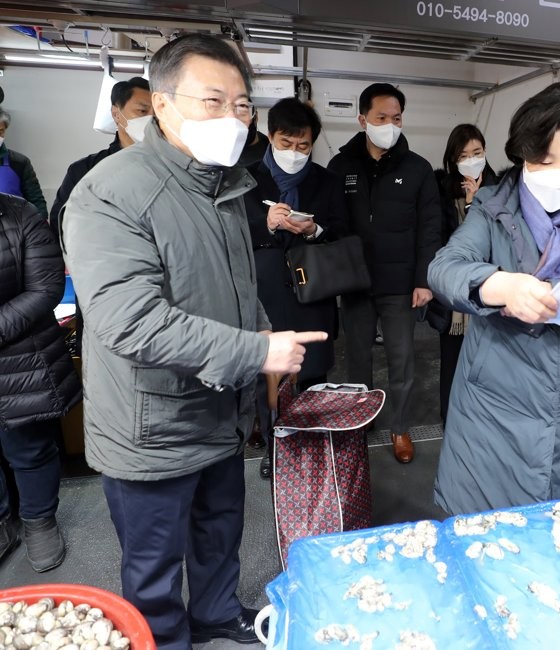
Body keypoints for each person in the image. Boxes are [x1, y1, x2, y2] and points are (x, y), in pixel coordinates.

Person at [62, 34, 325, 649]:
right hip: (149, 423)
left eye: (242, 105)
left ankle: (215, 614)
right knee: (153, 563)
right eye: (213, 100)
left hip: (219, 410)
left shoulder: (226, 186)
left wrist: (260, 327)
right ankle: (164, 638)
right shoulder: (110, 191)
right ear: (161, 103)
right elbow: (128, 319)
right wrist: (258, 353)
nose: (233, 118)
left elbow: (235, 284)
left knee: (219, 529)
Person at [428, 82, 560, 515]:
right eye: (543, 160)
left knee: (551, 527)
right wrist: (499, 285)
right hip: (491, 397)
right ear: (523, 153)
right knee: (481, 526)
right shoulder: (492, 206)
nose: (556, 173)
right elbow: (445, 267)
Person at [327, 83, 443, 464]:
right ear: (362, 120)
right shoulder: (341, 166)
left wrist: (424, 280)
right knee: (357, 359)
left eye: (396, 118)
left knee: (402, 359)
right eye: (381, 118)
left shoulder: (418, 169)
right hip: (357, 283)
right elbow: (332, 224)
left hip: (400, 285)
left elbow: (430, 228)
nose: (390, 125)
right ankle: (361, 424)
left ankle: (400, 428)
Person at [243, 97, 348, 479]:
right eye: (286, 143)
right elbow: (231, 234)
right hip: (266, 291)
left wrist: (315, 229)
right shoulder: (246, 178)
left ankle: (311, 444)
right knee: (269, 375)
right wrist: (266, 223)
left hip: (313, 291)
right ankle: (274, 448)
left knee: (312, 370)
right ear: (271, 137)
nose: (294, 152)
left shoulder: (326, 180)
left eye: (303, 145)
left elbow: (342, 229)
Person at [0, 194, 81, 572]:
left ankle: (38, 520)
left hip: (20, 359)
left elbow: (45, 289)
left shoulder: (18, 214)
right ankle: (4, 521)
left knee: (28, 449)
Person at [429, 123, 498, 426]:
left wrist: (478, 202)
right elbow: (449, 244)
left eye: (477, 152)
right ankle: (450, 418)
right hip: (455, 295)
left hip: (491, 289)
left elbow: (498, 239)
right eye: (463, 155)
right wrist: (469, 205)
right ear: (453, 159)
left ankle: (482, 418)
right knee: (453, 360)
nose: (471, 159)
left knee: (488, 361)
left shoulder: (502, 188)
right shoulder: (441, 190)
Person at [50, 77, 153, 238]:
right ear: (116, 114)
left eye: (156, 115)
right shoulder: (85, 170)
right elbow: (61, 223)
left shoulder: (171, 166)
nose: (151, 120)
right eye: (142, 111)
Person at [0, 109, 47, 217]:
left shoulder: (19, 162)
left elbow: (36, 201)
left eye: (1, 131)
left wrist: (41, 226)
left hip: (15, 230)